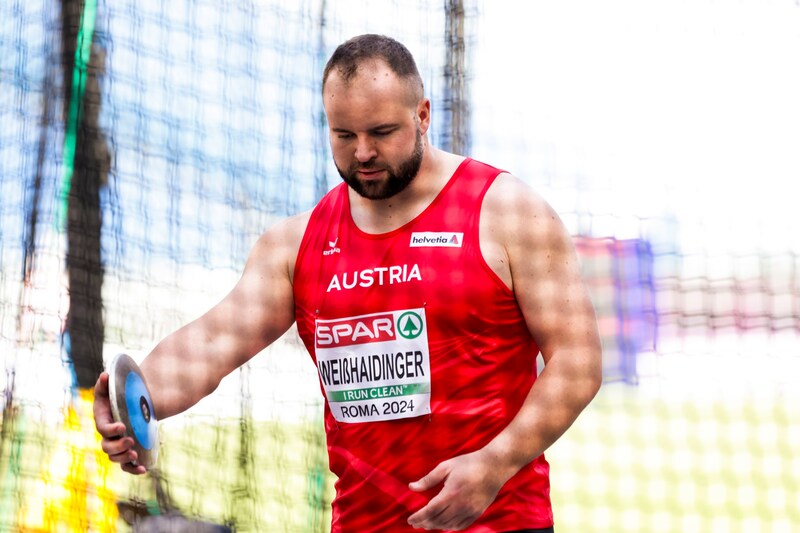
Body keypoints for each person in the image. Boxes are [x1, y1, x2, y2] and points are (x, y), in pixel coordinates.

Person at [94, 34, 602, 533]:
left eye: (381, 132)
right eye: (344, 135)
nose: (362, 153)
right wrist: (134, 398)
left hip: (500, 523)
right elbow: (209, 342)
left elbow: (578, 364)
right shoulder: (297, 244)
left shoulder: (507, 212)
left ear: (422, 115)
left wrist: (495, 463)